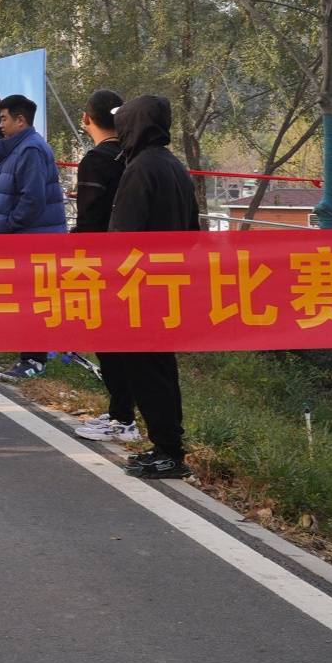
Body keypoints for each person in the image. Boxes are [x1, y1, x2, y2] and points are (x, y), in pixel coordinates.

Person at [106, 95, 201, 479]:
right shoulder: (174, 167)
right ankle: (166, 446)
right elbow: (193, 232)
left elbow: (122, 235)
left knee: (148, 371)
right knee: (160, 368)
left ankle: (169, 452)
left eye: (125, 123)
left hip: (141, 287)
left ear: (136, 125)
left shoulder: (141, 168)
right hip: (168, 283)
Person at [67, 90, 136, 441]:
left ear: (86, 118)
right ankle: (122, 413)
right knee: (128, 342)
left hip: (102, 263)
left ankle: (122, 417)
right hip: (136, 261)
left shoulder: (96, 160)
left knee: (109, 341)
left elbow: (91, 219)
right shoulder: (133, 155)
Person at [0, 93, 66, 378]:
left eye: (4, 119)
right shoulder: (16, 149)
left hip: (32, 240)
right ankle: (27, 355)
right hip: (25, 238)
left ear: (20, 119)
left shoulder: (30, 150)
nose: (0, 125)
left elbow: (32, 200)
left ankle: (34, 359)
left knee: (32, 300)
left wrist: (7, 226)